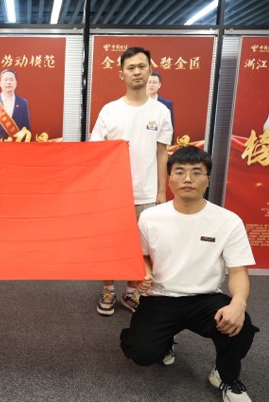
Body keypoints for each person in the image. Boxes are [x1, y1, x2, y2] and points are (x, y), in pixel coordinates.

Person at [120, 146, 259, 402]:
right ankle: (165, 342)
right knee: (142, 352)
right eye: (180, 172)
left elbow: (238, 270)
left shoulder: (228, 220)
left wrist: (239, 303)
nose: (187, 179)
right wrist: (145, 273)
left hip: (205, 297)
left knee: (241, 326)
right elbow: (143, 255)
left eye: (196, 172)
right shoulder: (150, 217)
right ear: (169, 179)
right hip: (161, 296)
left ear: (208, 179)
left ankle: (226, 376)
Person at [90, 47, 173, 316]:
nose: (137, 72)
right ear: (122, 74)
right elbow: (96, 150)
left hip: (146, 192)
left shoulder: (160, 111)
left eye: (141, 66)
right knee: (108, 244)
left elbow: (162, 152)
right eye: (131, 68)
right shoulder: (110, 110)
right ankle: (108, 289)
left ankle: (131, 291)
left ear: (150, 70)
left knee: (141, 247)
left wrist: (161, 192)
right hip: (112, 193)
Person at [0, 68, 31, 140]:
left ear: (16, 83)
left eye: (11, 79)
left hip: (17, 145)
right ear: (0, 83)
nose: (8, 82)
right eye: (5, 80)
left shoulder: (23, 103)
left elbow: (27, 129)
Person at [146, 71, 175, 142]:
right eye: (149, 82)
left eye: (154, 82)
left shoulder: (166, 104)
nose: (151, 85)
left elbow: (169, 129)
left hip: (159, 143)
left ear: (159, 85)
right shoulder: (136, 102)